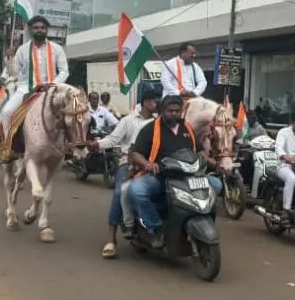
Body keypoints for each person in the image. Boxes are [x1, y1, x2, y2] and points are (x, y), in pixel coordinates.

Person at [127, 95, 222, 247]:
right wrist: (147, 164)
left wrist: (210, 160)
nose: (174, 114)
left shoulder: (188, 128)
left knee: (216, 185)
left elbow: (199, 151)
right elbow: (135, 154)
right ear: (162, 111)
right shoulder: (150, 128)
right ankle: (156, 227)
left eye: (177, 111)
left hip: (188, 177)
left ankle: (197, 222)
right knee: (136, 190)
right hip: (161, 177)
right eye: (170, 111)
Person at [93, 84, 161, 259]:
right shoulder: (128, 120)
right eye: (154, 100)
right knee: (118, 192)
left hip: (154, 164)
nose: (157, 103)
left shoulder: (160, 122)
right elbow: (113, 139)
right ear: (146, 102)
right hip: (128, 162)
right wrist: (97, 144)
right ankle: (111, 238)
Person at [0, 15, 69, 151]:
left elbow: (64, 71)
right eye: (36, 28)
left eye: (42, 28)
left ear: (47, 30)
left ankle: (73, 147)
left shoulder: (57, 48)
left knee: (74, 112)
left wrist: (52, 84)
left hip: (52, 90)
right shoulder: (23, 49)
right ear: (30, 30)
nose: (39, 30)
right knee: (6, 112)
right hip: (26, 89)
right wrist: (9, 57)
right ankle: (6, 147)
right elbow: (14, 72)